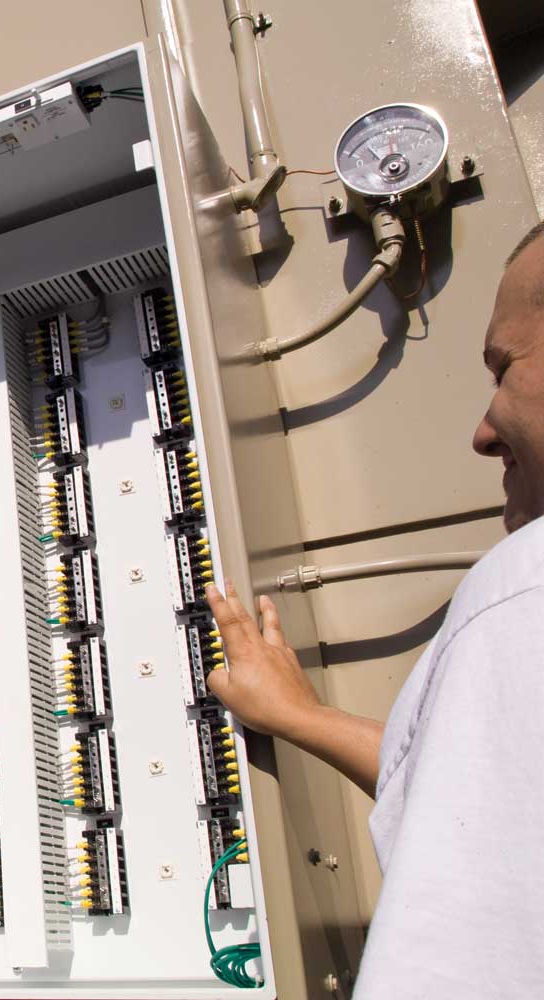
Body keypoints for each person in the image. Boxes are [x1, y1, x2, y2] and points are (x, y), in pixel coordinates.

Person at [204, 220, 544, 998]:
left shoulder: (524, 586)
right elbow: (465, 807)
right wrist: (301, 717)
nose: (483, 433)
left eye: (504, 368)